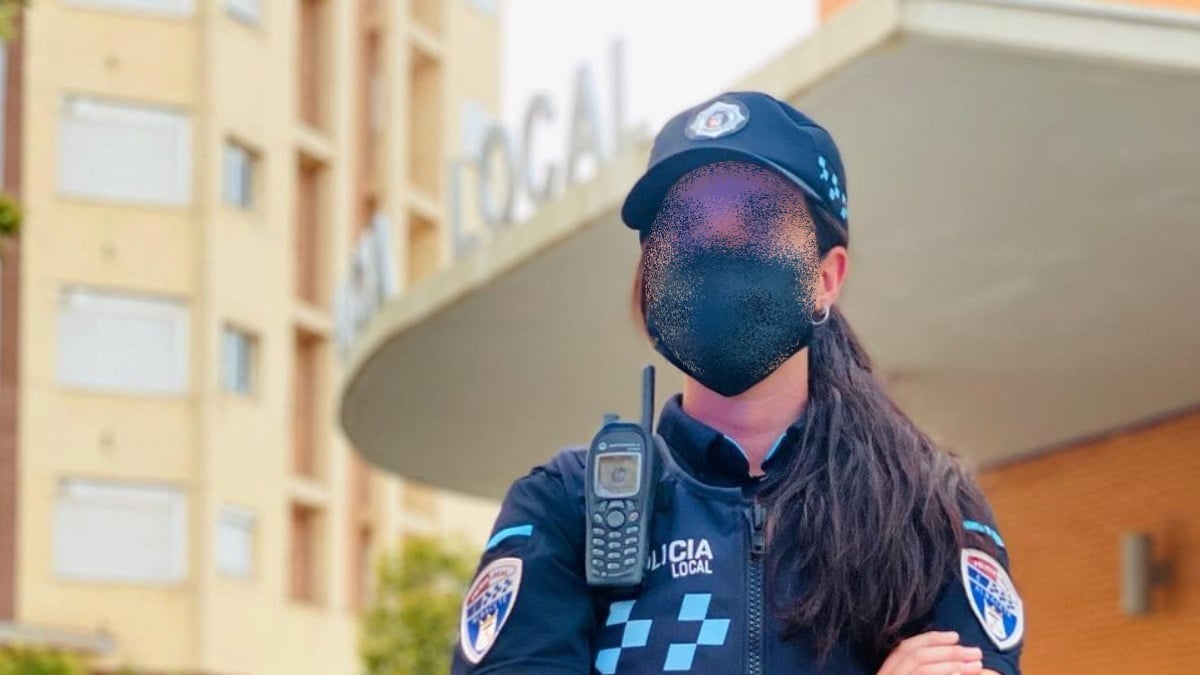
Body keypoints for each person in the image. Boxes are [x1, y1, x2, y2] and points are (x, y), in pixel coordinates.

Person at [451, 91, 1024, 675]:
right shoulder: (565, 505)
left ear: (826, 278)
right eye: (685, 229)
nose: (717, 251)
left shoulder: (927, 507)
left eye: (757, 223)